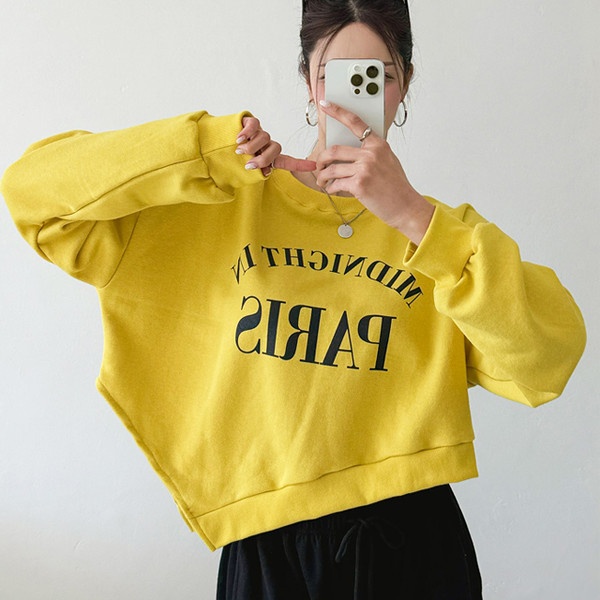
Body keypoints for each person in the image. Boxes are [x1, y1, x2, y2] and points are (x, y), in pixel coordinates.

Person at [1, 1, 586, 598]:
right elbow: (31, 193)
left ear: (405, 84)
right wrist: (207, 151)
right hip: (264, 538)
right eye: (335, 76)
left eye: (377, 76)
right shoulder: (220, 200)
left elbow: (547, 362)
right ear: (308, 80)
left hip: (409, 541)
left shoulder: (441, 234)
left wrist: (412, 215)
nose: (354, 99)